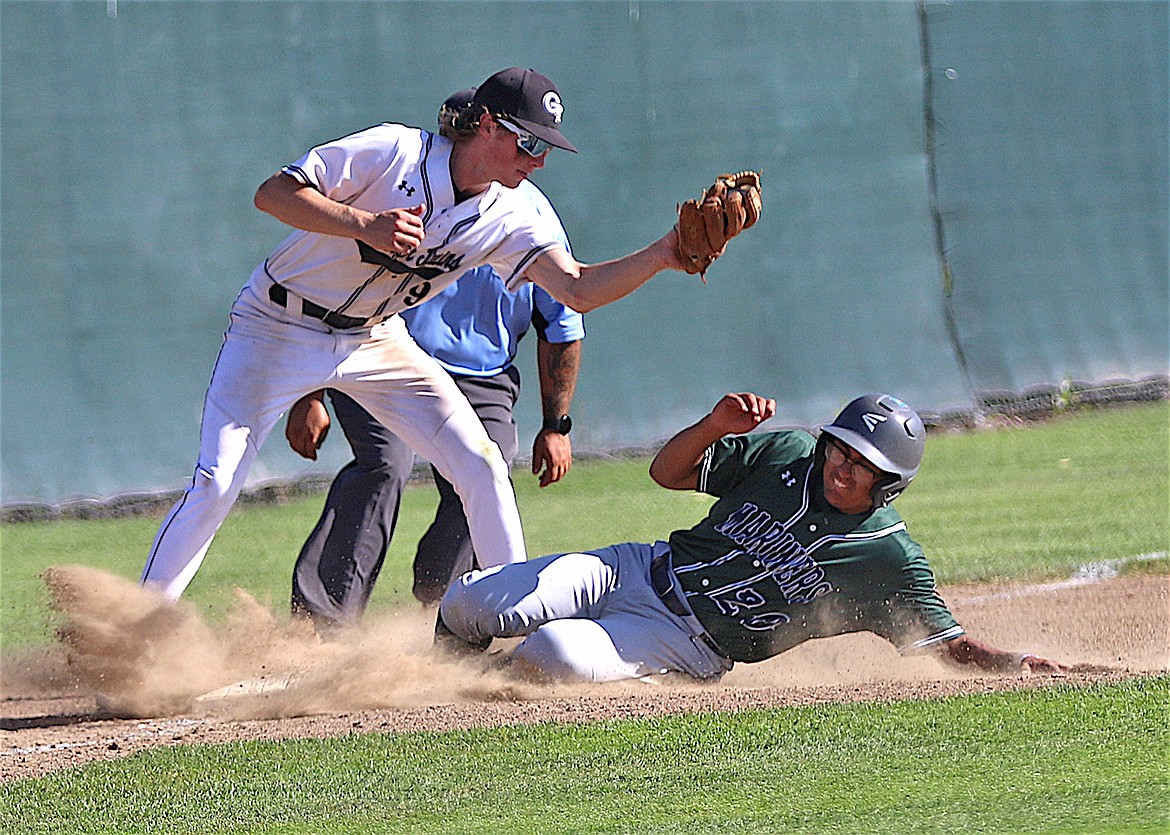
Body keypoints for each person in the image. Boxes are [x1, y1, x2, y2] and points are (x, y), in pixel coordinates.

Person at [139, 67, 699, 600]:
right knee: (216, 483)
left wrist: (664, 254)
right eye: (530, 143)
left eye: (547, 147)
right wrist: (363, 224)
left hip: (376, 339)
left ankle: (511, 614)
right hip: (278, 327)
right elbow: (273, 194)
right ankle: (132, 637)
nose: (540, 160)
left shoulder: (518, 212)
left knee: (481, 463)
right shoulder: (394, 151)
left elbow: (576, 290)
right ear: (488, 125)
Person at [437, 392, 1070, 682]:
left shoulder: (888, 558)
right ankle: (427, 678)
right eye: (841, 449)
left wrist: (1015, 663)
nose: (843, 466)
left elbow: (946, 643)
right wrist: (714, 424)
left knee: (554, 654)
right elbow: (667, 472)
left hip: (686, 639)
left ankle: (468, 703)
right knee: (474, 603)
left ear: (889, 487)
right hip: (636, 568)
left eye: (863, 465)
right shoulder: (787, 455)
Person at [284, 86, 584, 626]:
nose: (454, 135)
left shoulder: (525, 217)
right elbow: (325, 294)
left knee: (487, 466)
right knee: (383, 465)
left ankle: (451, 609)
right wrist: (309, 393)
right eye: (452, 128)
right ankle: (320, 624)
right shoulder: (401, 191)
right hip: (381, 354)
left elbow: (564, 320)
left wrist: (556, 423)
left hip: (485, 377)